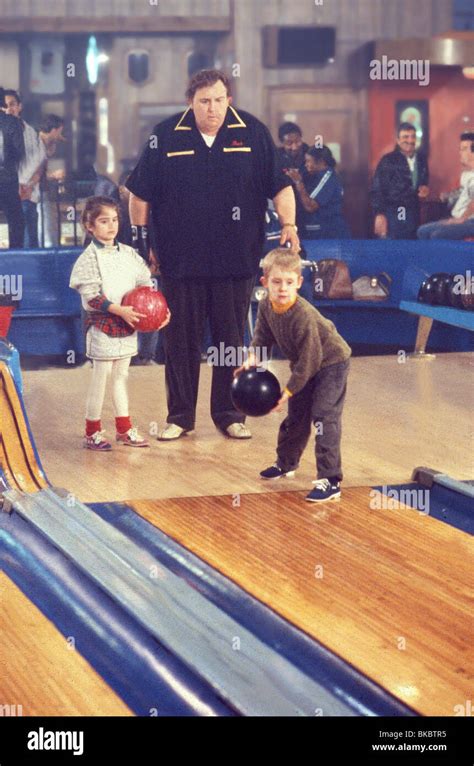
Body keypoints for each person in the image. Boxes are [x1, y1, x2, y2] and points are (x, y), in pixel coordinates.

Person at [126, 68, 298, 441]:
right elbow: (139, 194)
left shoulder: (252, 133)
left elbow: (280, 186)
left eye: (219, 100)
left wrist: (290, 224)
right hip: (178, 261)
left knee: (230, 342)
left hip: (235, 261)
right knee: (180, 343)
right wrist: (143, 244)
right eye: (204, 101)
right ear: (191, 102)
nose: (213, 108)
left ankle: (229, 414)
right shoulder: (166, 135)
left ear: (228, 100)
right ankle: (180, 417)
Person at [235, 248, 351, 503]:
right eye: (276, 282)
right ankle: (286, 463)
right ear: (265, 283)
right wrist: (252, 359)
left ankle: (330, 480)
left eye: (289, 282)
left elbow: (310, 360)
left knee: (323, 416)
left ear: (299, 282)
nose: (283, 288)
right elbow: (262, 337)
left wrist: (286, 393)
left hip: (331, 363)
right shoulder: (266, 305)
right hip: (306, 365)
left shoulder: (303, 316)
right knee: (297, 417)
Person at [69, 195, 170, 451]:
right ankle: (92, 431)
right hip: (103, 325)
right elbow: (92, 297)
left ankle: (124, 429)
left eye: (114, 220)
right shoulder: (88, 258)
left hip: (127, 324)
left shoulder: (128, 254)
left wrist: (159, 311)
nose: (111, 226)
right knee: (100, 378)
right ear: (89, 226)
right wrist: (119, 311)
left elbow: (146, 284)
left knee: (121, 377)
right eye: (104, 221)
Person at [371, 122, 429, 239]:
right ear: (398, 140)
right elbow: (377, 188)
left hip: (414, 211)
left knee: (411, 247)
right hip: (393, 211)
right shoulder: (388, 161)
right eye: (405, 137)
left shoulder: (421, 159)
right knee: (393, 247)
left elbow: (423, 182)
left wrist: (424, 189)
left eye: (413, 136)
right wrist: (379, 214)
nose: (410, 140)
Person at [4, 89, 46, 248]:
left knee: (30, 243)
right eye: (4, 106)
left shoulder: (31, 132)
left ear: (19, 106)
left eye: (12, 104)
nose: (9, 109)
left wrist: (28, 186)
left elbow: (41, 162)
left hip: (29, 195)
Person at [417, 132, 474, 240]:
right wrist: (442, 197)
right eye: (460, 149)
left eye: (464, 149)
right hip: (459, 218)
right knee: (422, 231)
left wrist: (461, 219)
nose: (460, 152)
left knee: (437, 235)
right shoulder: (466, 174)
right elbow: (460, 194)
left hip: (470, 221)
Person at [286, 145, 351, 239]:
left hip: (329, 234)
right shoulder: (313, 175)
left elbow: (310, 206)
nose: (306, 164)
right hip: (316, 233)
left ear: (321, 162)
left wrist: (298, 182)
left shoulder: (328, 177)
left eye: (308, 161)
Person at [0, 86, 25, 248]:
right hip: (8, 178)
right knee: (15, 220)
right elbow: (19, 152)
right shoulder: (12, 122)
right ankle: (16, 259)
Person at [38, 114, 65, 247]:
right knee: (45, 224)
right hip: (36, 192)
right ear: (54, 130)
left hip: (42, 191)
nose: (61, 135)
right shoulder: (36, 144)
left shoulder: (45, 143)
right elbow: (33, 172)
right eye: (60, 131)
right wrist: (54, 175)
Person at [276, 121, 309, 231]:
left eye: (297, 141)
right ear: (282, 143)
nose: (294, 147)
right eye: (289, 143)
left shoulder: (311, 154)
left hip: (308, 209)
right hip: (285, 209)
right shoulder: (276, 157)